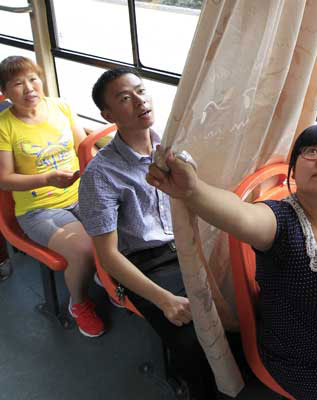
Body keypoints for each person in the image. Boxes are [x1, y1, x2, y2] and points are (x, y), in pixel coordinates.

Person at [148, 123, 317, 399]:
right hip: (306, 364)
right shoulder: (280, 221)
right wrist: (193, 190)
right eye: (311, 151)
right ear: (293, 170)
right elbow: (239, 213)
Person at [78, 68, 216, 399]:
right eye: (126, 98)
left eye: (141, 91)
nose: (140, 101)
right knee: (192, 338)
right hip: (146, 261)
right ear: (108, 115)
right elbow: (108, 256)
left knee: (238, 304)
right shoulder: (101, 175)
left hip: (187, 242)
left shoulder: (171, 149)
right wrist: (163, 299)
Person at [0, 56, 104, 337]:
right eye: (17, 84)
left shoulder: (61, 107)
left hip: (79, 193)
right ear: (6, 93)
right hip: (39, 208)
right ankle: (79, 303)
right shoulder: (4, 126)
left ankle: (105, 272)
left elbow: (84, 149)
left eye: (33, 79)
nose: (29, 88)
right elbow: (4, 179)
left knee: (118, 225)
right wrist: (47, 179)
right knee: (82, 250)